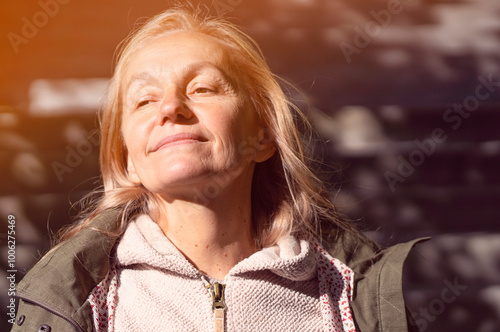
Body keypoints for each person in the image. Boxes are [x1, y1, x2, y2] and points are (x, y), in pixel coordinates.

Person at [11, 6, 424, 332]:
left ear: (262, 136)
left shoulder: (357, 300)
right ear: (127, 159)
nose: (171, 107)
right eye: (144, 100)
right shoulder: (74, 303)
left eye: (202, 88)